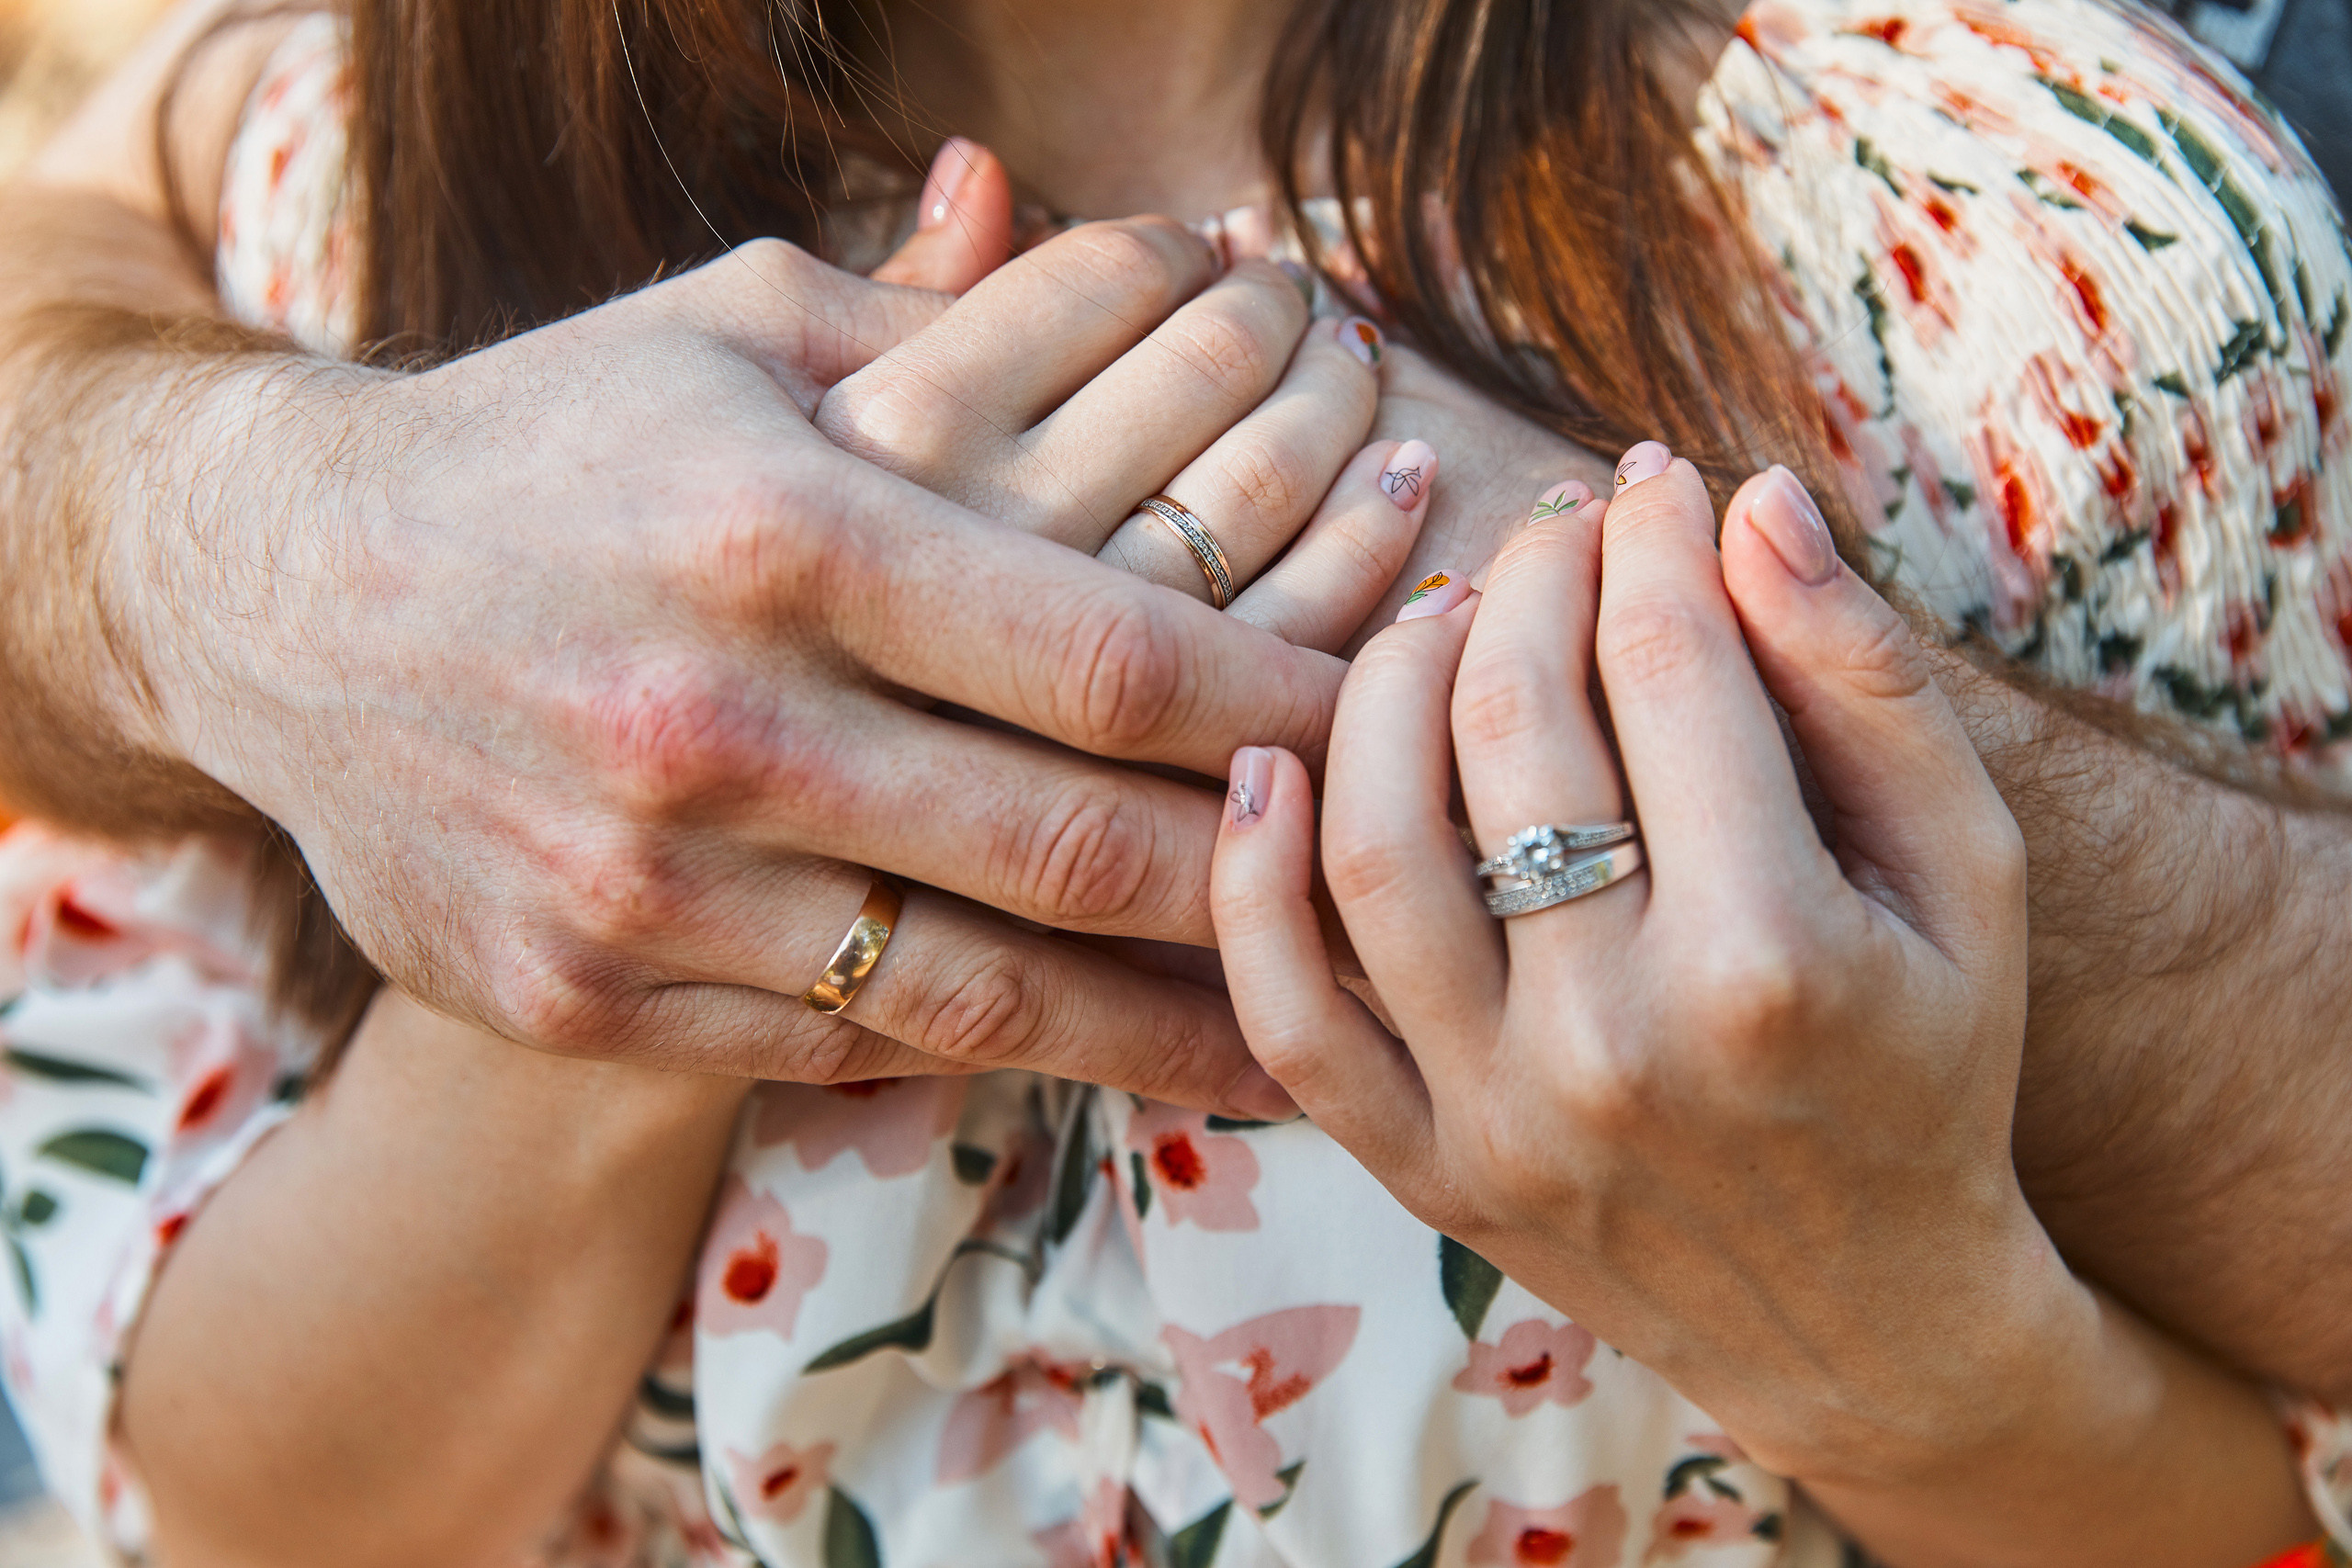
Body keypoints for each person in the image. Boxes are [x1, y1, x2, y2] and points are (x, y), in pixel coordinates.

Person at [0, 0, 2349, 1562]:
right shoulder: (325, 251)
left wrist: (1890, 1354)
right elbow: (232, 1496)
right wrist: (654, 815)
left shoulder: (2000, 255)